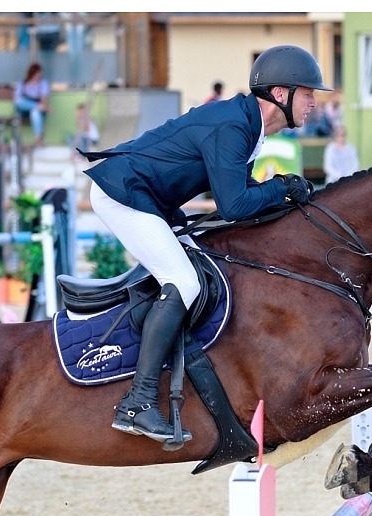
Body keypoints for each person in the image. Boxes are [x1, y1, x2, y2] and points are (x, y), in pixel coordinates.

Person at [79, 44, 331, 445]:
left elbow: (243, 197)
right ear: (280, 95)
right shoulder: (234, 127)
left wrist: (279, 192)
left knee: (201, 262)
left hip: (149, 196)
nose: (314, 104)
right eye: (308, 93)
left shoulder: (248, 126)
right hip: (124, 192)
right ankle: (138, 403)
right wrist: (282, 186)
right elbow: (234, 205)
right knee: (184, 281)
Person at [14, 62, 50, 146]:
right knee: (20, 102)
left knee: (35, 112)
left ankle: (38, 139)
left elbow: (44, 99)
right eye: (36, 74)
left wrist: (41, 106)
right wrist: (39, 106)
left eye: (39, 74)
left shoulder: (43, 83)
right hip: (23, 109)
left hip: (38, 109)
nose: (38, 76)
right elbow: (17, 99)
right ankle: (38, 107)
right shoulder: (23, 83)